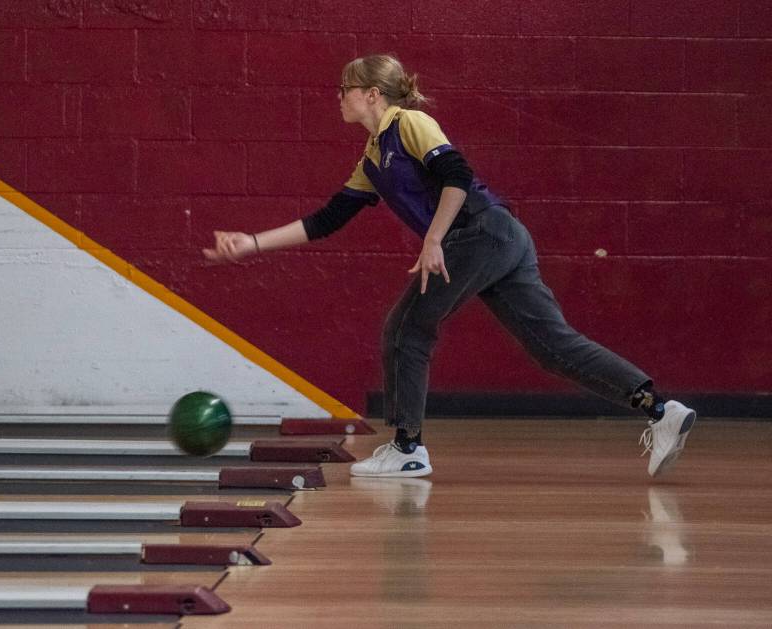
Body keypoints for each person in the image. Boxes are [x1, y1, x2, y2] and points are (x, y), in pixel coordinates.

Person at [202, 54, 695, 479]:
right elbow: (328, 219)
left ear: (372, 94)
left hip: (483, 231)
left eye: (344, 89)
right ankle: (660, 409)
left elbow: (457, 175)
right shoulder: (372, 157)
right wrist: (252, 243)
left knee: (407, 328)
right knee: (550, 346)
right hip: (495, 241)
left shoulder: (408, 123)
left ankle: (407, 450)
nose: (338, 97)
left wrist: (434, 239)